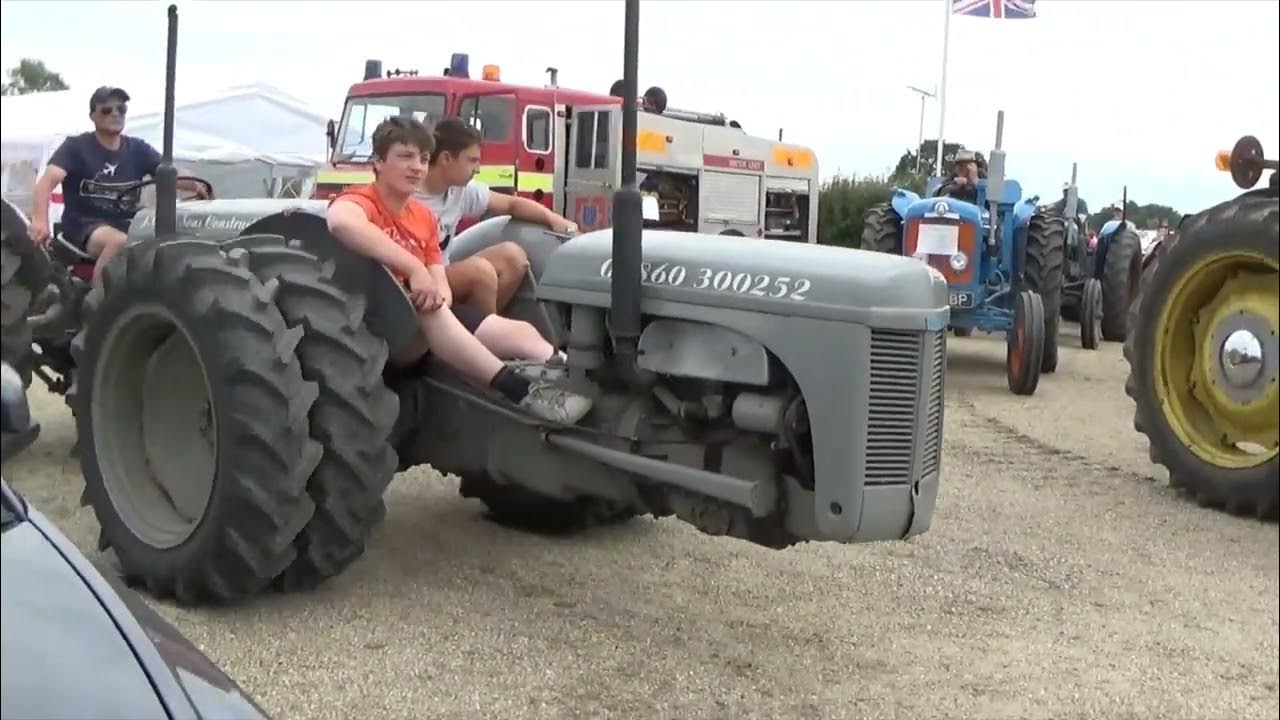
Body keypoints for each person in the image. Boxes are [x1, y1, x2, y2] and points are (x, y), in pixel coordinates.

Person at [325, 116, 591, 425]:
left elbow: (437, 270)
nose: (416, 166)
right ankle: (516, 390)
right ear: (379, 162)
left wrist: (440, 293)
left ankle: (570, 376)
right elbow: (341, 223)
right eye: (405, 156)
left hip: (420, 320)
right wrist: (413, 268)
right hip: (374, 325)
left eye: (423, 159)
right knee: (432, 310)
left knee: (518, 332)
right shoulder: (361, 201)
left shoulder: (422, 216)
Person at [28, 86, 210, 283]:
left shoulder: (137, 149)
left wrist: (197, 185)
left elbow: (171, 173)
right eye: (107, 110)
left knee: (173, 239)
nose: (115, 114)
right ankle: (99, 303)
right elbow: (46, 182)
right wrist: (39, 220)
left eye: (121, 109)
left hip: (129, 222)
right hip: (84, 225)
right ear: (93, 116)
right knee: (119, 242)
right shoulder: (76, 147)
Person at [416, 119, 578, 317]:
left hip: (443, 272)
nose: (477, 168)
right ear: (446, 158)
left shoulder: (461, 190)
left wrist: (555, 220)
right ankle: (485, 338)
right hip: (416, 282)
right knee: (480, 271)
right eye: (472, 160)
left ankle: (482, 325)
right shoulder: (409, 193)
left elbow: (511, 204)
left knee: (513, 257)